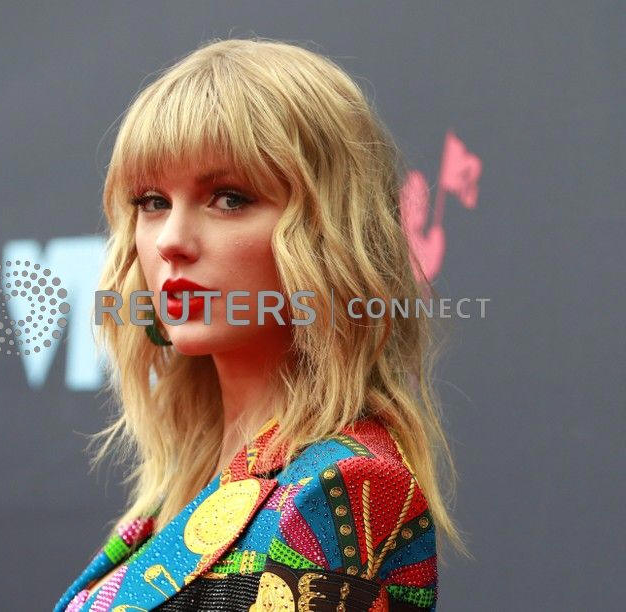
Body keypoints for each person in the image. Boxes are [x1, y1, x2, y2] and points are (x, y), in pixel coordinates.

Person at [54, 37, 467, 612]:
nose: (171, 240)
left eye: (228, 199)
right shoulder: (176, 493)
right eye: (152, 201)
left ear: (327, 233)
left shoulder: (340, 488)